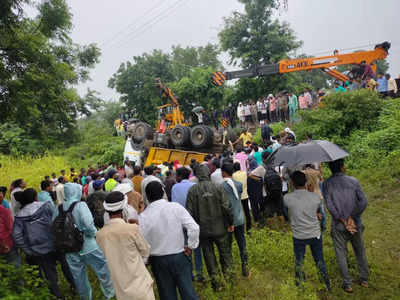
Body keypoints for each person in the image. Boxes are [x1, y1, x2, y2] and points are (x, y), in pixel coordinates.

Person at [53, 183, 115, 300]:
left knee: (78, 276)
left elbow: (55, 227)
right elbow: (88, 225)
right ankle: (109, 293)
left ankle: (85, 297)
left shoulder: (58, 208)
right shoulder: (80, 205)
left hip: (69, 249)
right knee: (102, 268)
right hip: (87, 245)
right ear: (76, 191)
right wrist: (93, 235)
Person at [140, 181, 199, 300]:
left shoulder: (143, 216)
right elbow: (194, 227)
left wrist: (146, 259)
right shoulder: (175, 207)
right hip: (179, 255)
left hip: (158, 260)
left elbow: (142, 242)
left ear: (147, 196)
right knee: (188, 292)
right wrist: (190, 246)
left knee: (167, 295)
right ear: (163, 193)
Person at [97, 192, 155, 300]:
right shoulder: (132, 229)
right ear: (124, 208)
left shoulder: (100, 235)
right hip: (140, 285)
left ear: (107, 210)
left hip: (121, 289)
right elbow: (146, 251)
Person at [322, 159, 369, 293]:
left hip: (338, 225)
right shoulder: (353, 181)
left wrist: (343, 219)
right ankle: (364, 279)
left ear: (331, 169)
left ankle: (347, 284)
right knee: (360, 251)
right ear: (342, 167)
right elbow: (363, 201)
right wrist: (352, 217)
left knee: (340, 254)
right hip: (356, 223)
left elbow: (330, 205)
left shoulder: (326, 184)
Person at [186, 165, 234, 291]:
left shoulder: (193, 190)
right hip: (221, 229)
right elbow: (226, 207)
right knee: (226, 254)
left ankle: (217, 284)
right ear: (208, 174)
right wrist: (230, 223)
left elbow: (189, 214)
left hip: (203, 231)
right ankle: (230, 281)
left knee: (209, 257)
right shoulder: (218, 187)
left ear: (197, 176)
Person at [13, 188, 66, 298]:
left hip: (38, 250)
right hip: (55, 243)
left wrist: (27, 250)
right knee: (67, 266)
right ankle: (76, 287)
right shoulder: (46, 206)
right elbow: (57, 220)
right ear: (35, 197)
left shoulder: (19, 216)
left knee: (50, 274)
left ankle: (57, 296)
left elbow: (16, 236)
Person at [283, 171, 331, 290]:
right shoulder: (315, 197)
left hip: (298, 235)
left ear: (292, 183)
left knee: (299, 261)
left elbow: (287, 213)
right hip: (315, 234)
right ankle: (326, 285)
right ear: (306, 182)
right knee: (319, 261)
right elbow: (318, 212)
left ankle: (300, 286)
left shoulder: (287, 198)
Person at [171, 167, 204, 282]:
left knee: (185, 246)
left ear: (179, 176)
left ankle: (189, 273)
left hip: (180, 221)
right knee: (196, 246)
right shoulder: (194, 186)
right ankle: (199, 272)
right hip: (194, 220)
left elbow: (174, 204)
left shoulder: (175, 187)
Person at [221, 163, 249, 277]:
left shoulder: (221, 186)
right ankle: (245, 266)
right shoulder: (238, 184)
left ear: (223, 172)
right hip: (240, 218)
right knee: (242, 243)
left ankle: (230, 269)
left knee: (227, 246)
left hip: (228, 221)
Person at [0, 189, 20, 268]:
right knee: (15, 268)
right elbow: (11, 228)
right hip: (7, 245)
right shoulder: (4, 211)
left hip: (5, 244)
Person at [233, 162, 251, 233]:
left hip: (237, 196)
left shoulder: (233, 175)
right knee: (247, 212)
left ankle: (241, 229)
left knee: (239, 213)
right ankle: (249, 227)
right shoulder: (244, 173)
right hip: (245, 195)